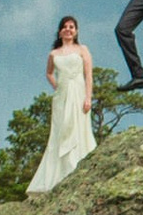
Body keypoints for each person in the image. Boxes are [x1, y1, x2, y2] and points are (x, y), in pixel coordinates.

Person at [24, 15, 98, 196]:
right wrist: (57, 87)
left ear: (76, 31)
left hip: (79, 94)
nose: (68, 29)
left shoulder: (82, 49)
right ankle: (58, 176)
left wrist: (88, 97)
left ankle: (80, 170)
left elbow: (89, 75)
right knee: (60, 132)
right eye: (65, 27)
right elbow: (49, 73)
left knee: (78, 130)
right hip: (61, 97)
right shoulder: (54, 54)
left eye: (71, 27)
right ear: (60, 32)